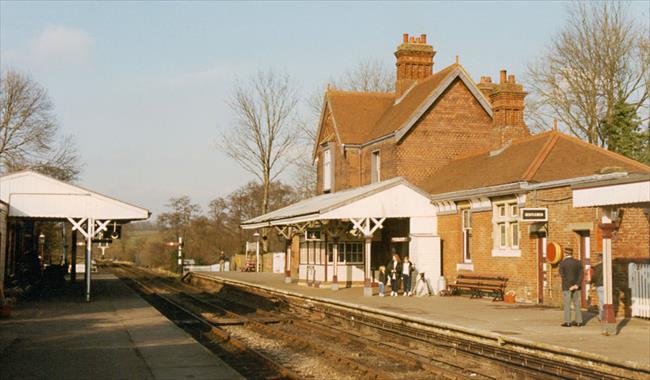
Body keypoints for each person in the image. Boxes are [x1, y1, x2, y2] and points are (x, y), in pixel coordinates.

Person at [559, 248, 584, 327]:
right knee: (577, 304)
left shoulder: (562, 263)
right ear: (572, 253)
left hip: (567, 287)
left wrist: (570, 286)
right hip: (577, 287)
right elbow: (581, 274)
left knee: (567, 304)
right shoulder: (578, 262)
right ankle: (579, 322)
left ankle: (568, 322)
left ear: (565, 254)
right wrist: (577, 284)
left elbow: (563, 276)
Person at [590, 252, 604, 321]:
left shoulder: (597, 267)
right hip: (607, 285)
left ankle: (602, 316)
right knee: (603, 301)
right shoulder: (608, 266)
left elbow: (594, 277)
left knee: (602, 301)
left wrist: (591, 283)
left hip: (599, 285)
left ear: (599, 259)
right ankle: (601, 316)